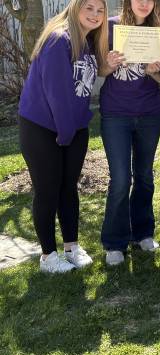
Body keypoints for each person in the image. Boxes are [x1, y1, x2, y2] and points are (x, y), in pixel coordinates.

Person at [18, 0, 108, 273]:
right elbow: (56, 92)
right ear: (75, 7)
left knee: (68, 188)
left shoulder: (87, 42)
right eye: (88, 8)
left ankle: (71, 247)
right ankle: (48, 256)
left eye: (100, 10)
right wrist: (66, 132)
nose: (94, 15)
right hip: (43, 128)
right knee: (47, 191)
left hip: (73, 127)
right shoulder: (59, 39)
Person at [98, 0, 160, 265]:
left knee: (144, 176)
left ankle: (143, 232)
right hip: (116, 114)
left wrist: (154, 71)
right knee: (120, 179)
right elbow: (100, 70)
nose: (144, 3)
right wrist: (110, 64)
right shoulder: (110, 27)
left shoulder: (157, 31)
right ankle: (114, 242)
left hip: (149, 114)